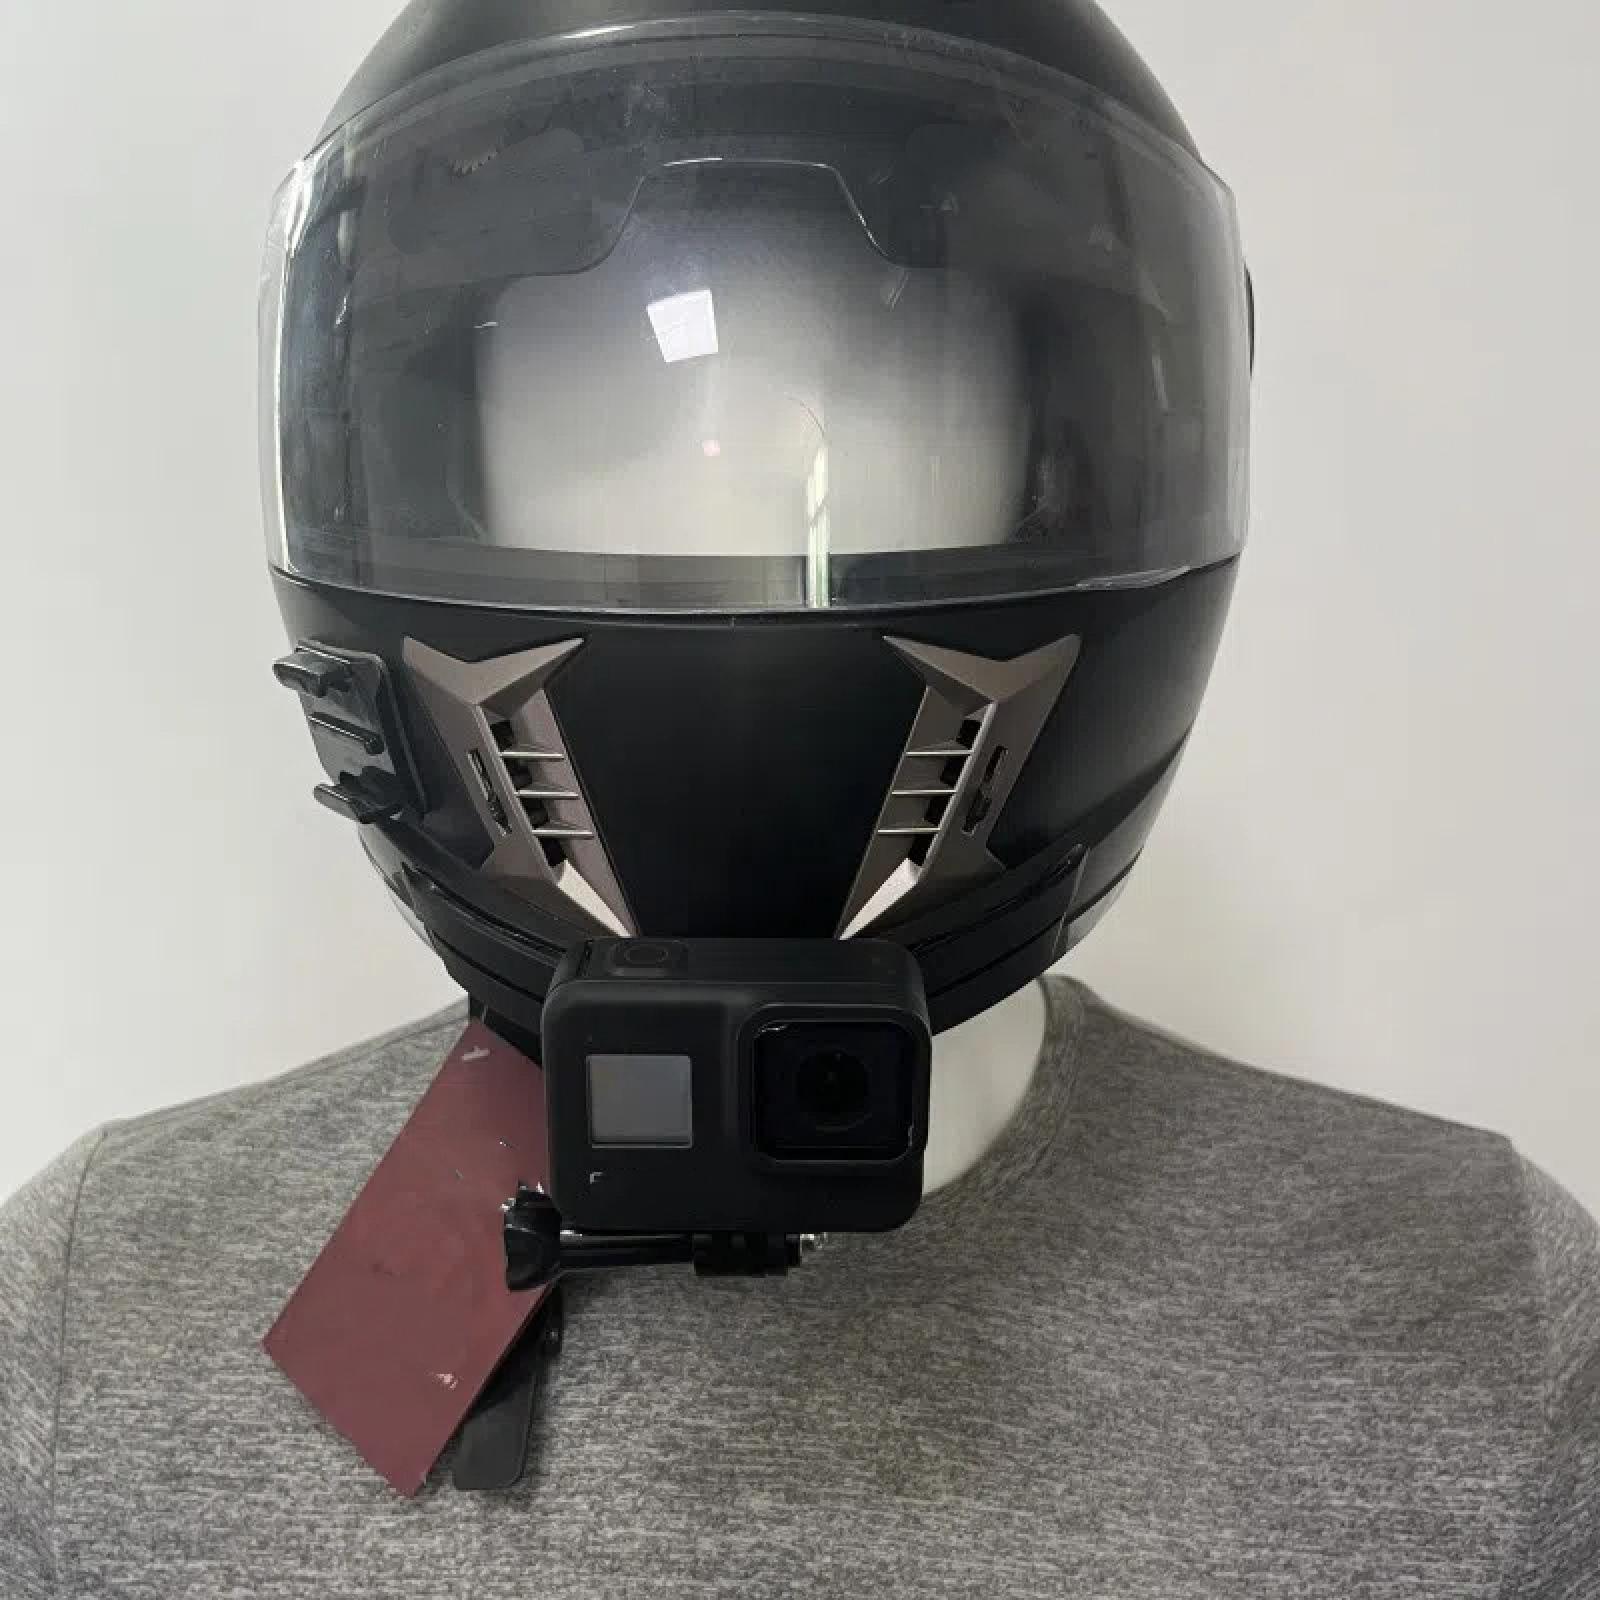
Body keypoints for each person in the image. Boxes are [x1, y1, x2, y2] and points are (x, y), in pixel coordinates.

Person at [4, 1, 1596, 1595]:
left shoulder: (1484, 1318)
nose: (750, 503)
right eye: (601, 413)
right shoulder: (92, 1323)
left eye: (895, 387)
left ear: (1083, 441)